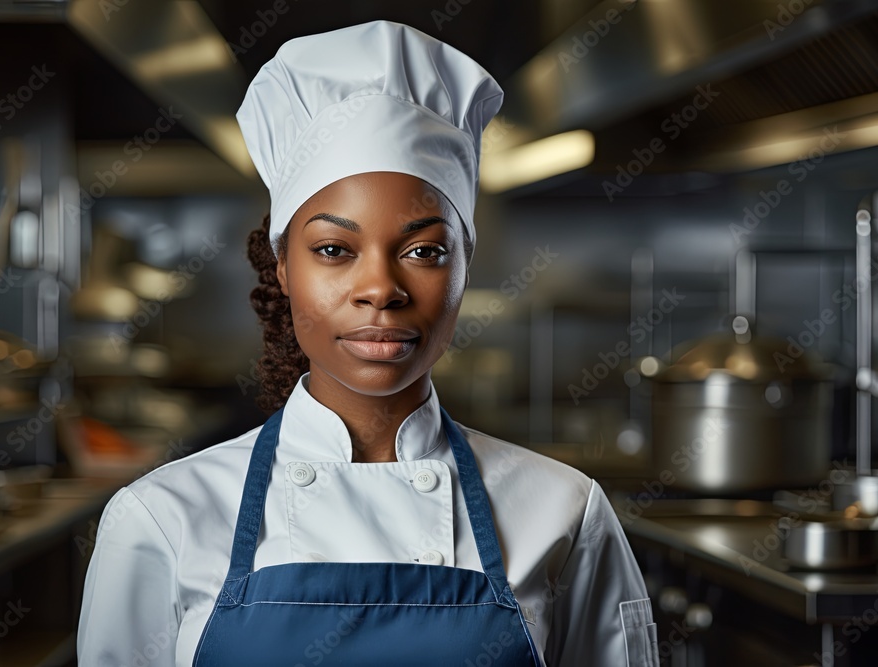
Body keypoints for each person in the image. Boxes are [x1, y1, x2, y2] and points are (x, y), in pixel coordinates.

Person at [77, 20, 659, 667]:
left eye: (423, 250)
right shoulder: (162, 519)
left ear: (466, 266)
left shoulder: (565, 513)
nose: (380, 287)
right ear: (284, 268)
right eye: (334, 249)